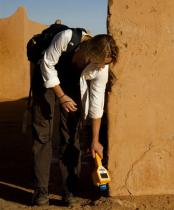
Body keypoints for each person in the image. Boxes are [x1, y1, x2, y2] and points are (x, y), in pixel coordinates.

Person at [30, 24, 119, 206]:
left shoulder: (101, 68)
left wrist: (95, 140)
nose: (102, 67)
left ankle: (69, 191)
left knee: (71, 135)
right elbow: (47, 64)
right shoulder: (66, 38)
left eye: (105, 64)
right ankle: (41, 191)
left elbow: (96, 102)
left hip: (71, 83)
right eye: (99, 62)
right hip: (46, 78)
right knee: (42, 135)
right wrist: (61, 96)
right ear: (88, 52)